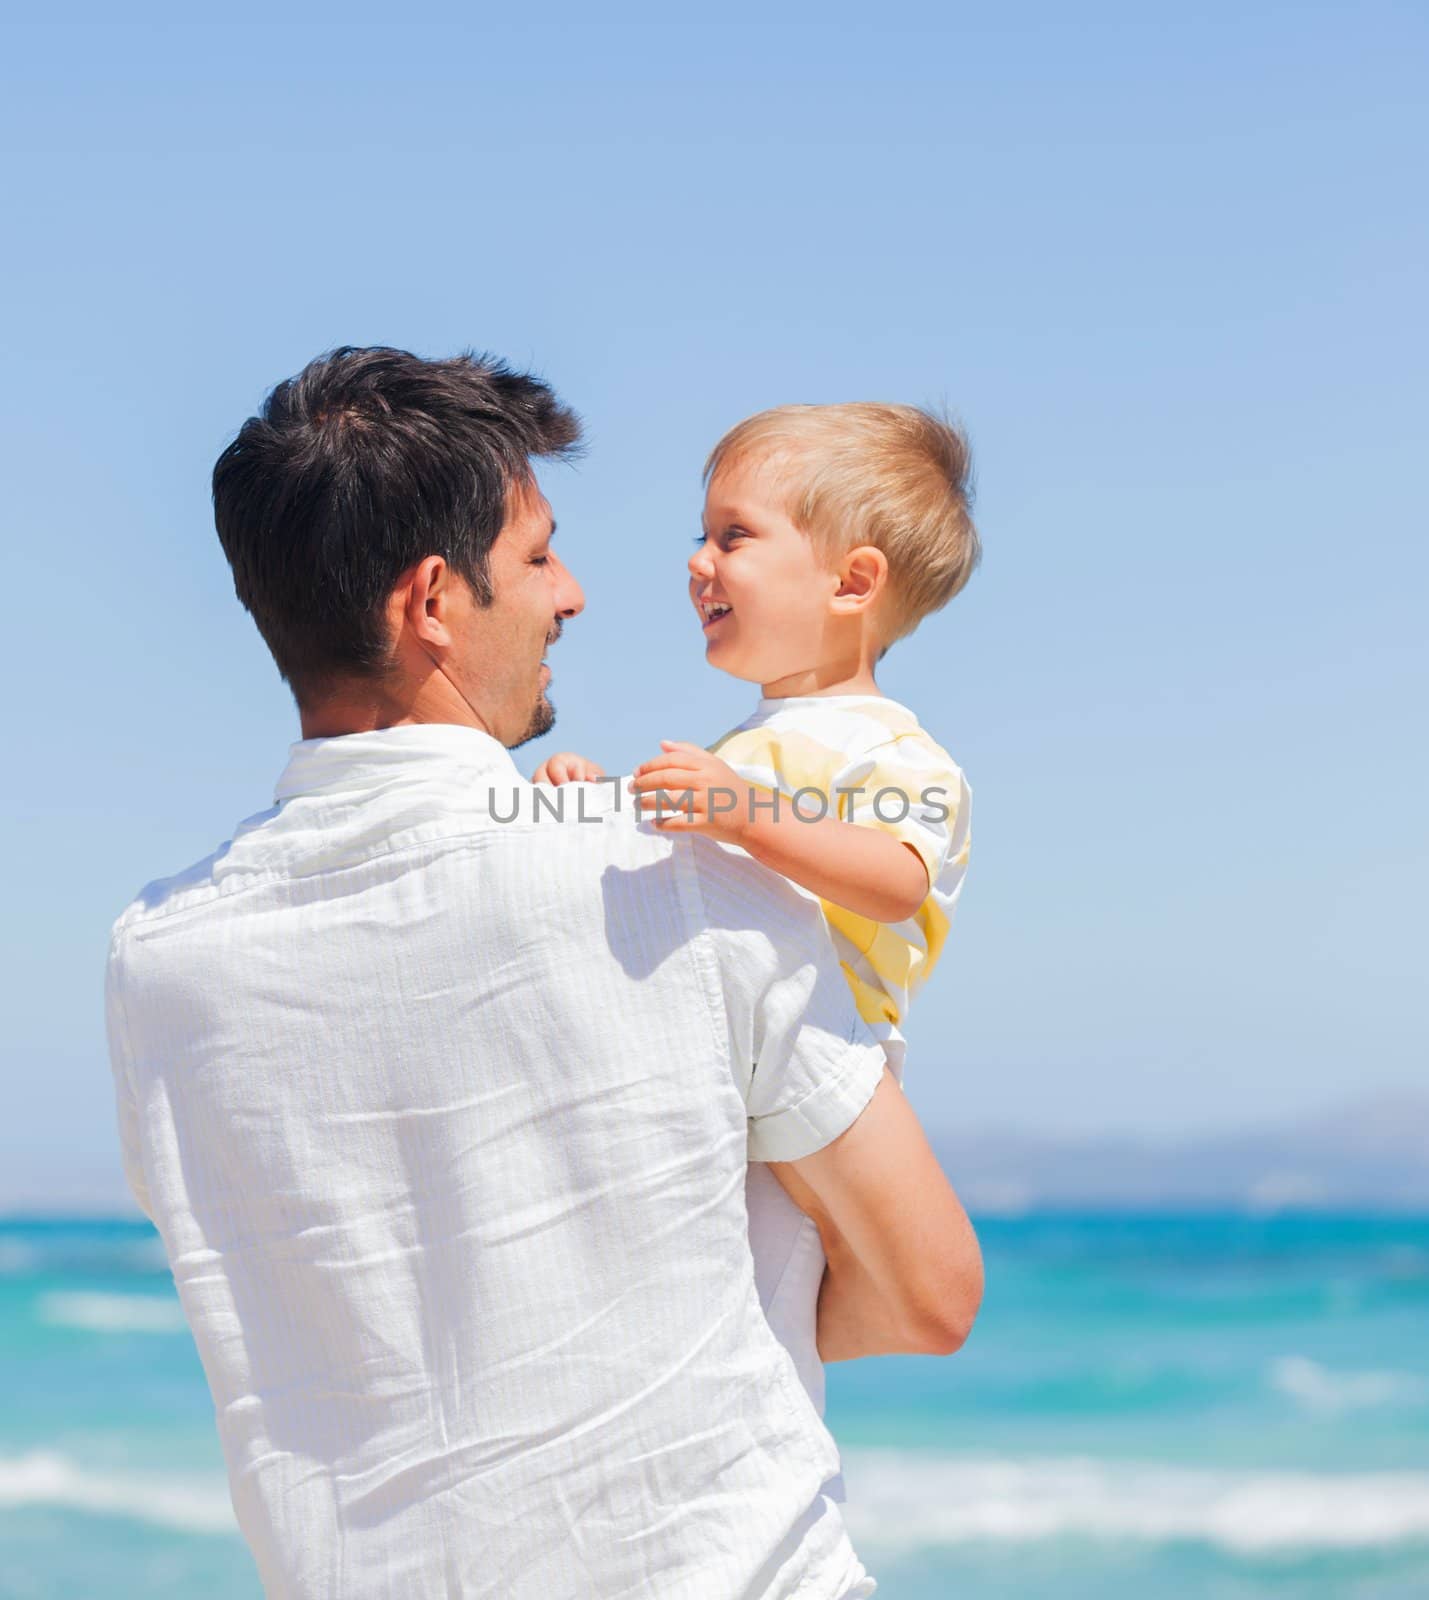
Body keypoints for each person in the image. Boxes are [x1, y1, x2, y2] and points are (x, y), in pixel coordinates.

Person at [105, 347, 983, 1600]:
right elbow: (932, 1295)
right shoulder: (681, 878)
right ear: (429, 603)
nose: (572, 594)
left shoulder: (157, 967)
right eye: (535, 557)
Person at [535, 402, 979, 1414]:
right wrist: (593, 802)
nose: (698, 560)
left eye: (733, 534)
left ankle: (768, 1349)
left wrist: (750, 815)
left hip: (830, 1053)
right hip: (731, 1046)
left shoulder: (893, 749)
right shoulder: (751, 745)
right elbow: (694, 877)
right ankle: (748, 1348)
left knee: (777, 1272)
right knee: (730, 1260)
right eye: (700, 532)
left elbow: (897, 875)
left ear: (852, 581)